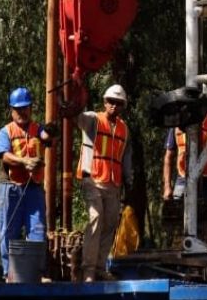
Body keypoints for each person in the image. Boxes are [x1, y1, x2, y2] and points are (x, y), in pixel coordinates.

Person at [0, 86, 58, 281]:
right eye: (17, 109)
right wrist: (25, 162)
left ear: (31, 108)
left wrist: (50, 131)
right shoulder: (6, 132)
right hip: (10, 188)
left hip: (33, 189)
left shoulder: (36, 128)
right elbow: (3, 155)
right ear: (11, 110)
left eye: (25, 108)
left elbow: (46, 138)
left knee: (37, 229)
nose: (22, 112)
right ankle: (9, 274)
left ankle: (37, 273)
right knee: (9, 231)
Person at [75, 84, 132, 282]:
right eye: (111, 102)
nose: (114, 106)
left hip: (113, 184)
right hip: (92, 179)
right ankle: (88, 270)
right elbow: (79, 118)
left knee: (110, 224)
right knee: (96, 218)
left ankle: (100, 267)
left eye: (118, 103)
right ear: (104, 102)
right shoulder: (93, 119)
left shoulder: (125, 129)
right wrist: (75, 102)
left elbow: (126, 158)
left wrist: (129, 181)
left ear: (123, 105)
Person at [162, 112, 207, 201]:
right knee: (177, 212)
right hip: (182, 182)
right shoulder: (177, 123)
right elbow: (168, 157)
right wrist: (167, 187)